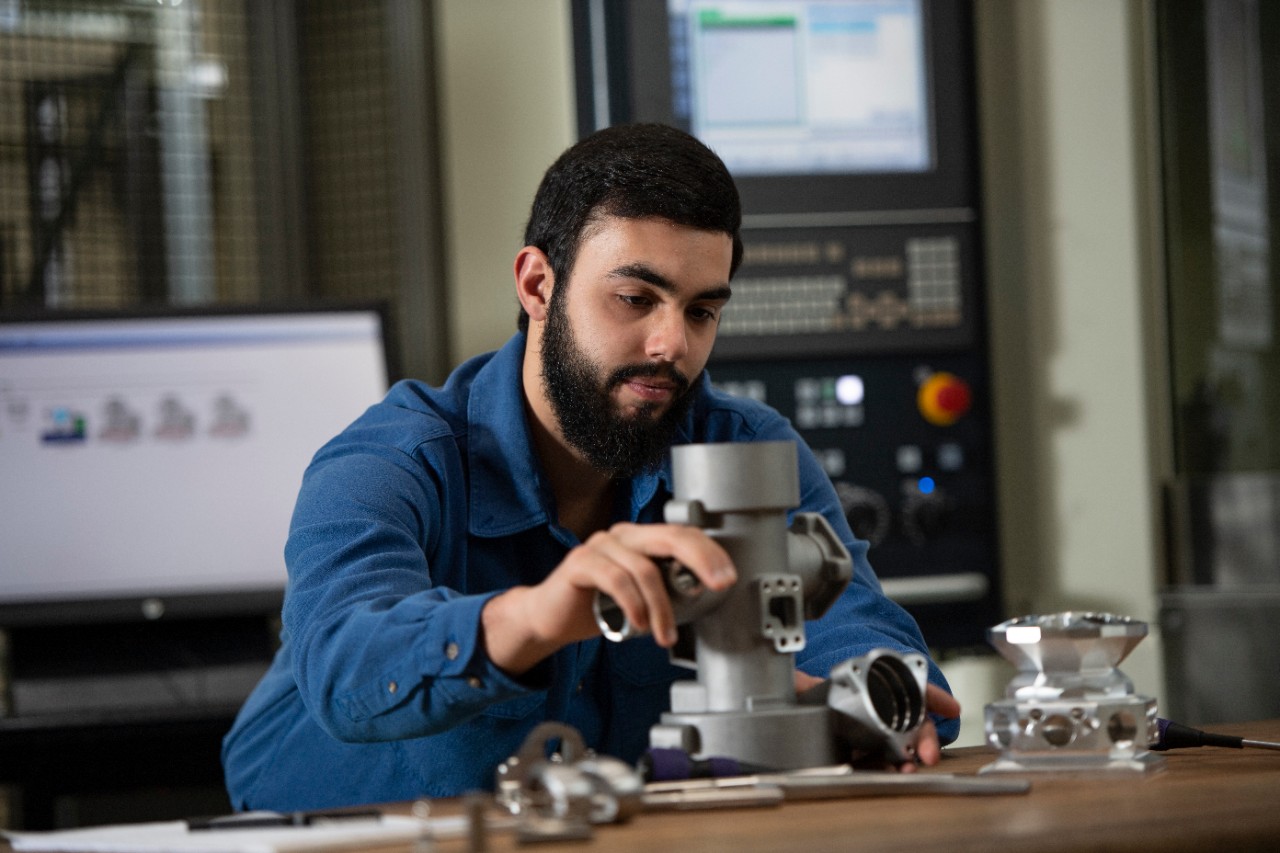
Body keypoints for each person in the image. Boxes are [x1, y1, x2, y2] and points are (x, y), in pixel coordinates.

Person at [222, 123, 960, 811]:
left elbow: (868, 647)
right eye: (636, 298)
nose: (672, 342)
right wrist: (540, 614)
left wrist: (867, 704)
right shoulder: (393, 460)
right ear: (538, 285)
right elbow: (343, 664)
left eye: (702, 310)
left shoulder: (747, 450)